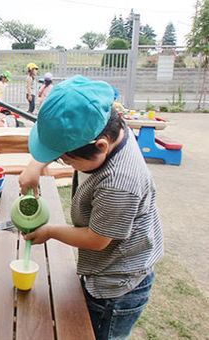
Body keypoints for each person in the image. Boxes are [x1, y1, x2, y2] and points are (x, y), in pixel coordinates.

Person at [19, 75, 164, 339]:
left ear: (100, 147)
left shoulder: (120, 182)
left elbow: (97, 239)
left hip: (116, 287)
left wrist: (50, 232)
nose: (63, 162)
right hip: (104, 269)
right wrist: (35, 165)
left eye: (65, 159)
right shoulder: (106, 125)